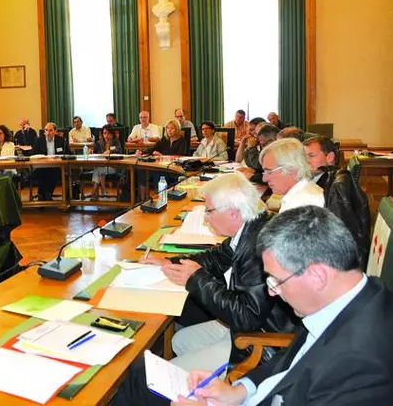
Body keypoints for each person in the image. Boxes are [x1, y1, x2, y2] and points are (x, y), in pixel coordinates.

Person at [113, 206, 393, 406]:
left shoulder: (360, 363)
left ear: (317, 275)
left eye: (276, 281)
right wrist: (241, 390)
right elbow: (290, 363)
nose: (272, 292)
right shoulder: (352, 299)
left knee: (131, 381)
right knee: (138, 371)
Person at [138, 173, 295, 373]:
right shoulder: (250, 228)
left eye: (209, 211)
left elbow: (247, 316)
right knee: (180, 340)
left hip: (261, 341)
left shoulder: (260, 247)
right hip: (246, 326)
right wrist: (168, 262)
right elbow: (215, 258)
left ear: (233, 212)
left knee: (165, 374)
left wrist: (195, 279)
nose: (205, 217)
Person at [305, 136, 371, 266]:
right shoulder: (327, 178)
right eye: (303, 157)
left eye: (311, 156)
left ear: (329, 157)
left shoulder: (327, 186)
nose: (305, 161)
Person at [260, 138, 324, 212]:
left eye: (269, 172)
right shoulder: (302, 193)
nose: (264, 179)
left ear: (291, 170)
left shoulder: (300, 204)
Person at [31, 122, 69, 200]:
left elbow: (67, 153)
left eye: (50, 130)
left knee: (52, 171)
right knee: (43, 172)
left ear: (55, 132)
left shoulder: (61, 140)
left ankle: (43, 194)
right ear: (44, 132)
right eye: (46, 130)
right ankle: (46, 194)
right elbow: (34, 154)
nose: (48, 132)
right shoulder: (39, 140)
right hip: (41, 167)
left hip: (57, 166)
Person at [90, 125, 122, 200]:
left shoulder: (116, 142)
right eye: (104, 133)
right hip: (101, 166)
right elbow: (94, 153)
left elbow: (119, 150)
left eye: (108, 133)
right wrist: (91, 151)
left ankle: (94, 193)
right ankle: (101, 190)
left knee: (97, 171)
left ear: (112, 134)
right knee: (98, 170)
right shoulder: (99, 143)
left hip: (113, 167)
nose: (106, 135)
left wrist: (110, 151)